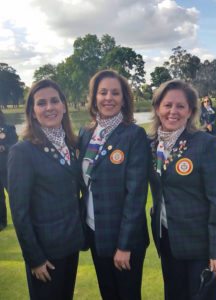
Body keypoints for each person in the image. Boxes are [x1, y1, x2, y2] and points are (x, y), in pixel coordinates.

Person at [8, 79, 85, 300]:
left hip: (70, 245)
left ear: (64, 106)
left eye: (54, 101)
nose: (49, 107)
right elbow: (20, 212)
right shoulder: (23, 152)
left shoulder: (72, 144)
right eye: (41, 103)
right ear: (32, 112)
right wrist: (35, 258)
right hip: (45, 254)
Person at [149, 79, 216, 300]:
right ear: (157, 108)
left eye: (180, 106)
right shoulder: (151, 145)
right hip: (168, 241)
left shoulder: (204, 144)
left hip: (201, 247)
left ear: (190, 111)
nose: (173, 111)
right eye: (167, 105)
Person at [78, 69, 149, 300]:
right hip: (96, 232)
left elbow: (136, 195)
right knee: (108, 294)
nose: (108, 97)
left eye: (115, 93)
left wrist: (124, 246)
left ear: (124, 98)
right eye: (103, 92)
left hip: (124, 239)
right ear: (94, 97)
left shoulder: (133, 135)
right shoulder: (87, 132)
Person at [0, 109, 18, 231]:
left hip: (7, 168)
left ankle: (20, 219)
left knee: (15, 196)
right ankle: (2, 223)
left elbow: (15, 145)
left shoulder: (9, 128)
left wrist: (4, 147)